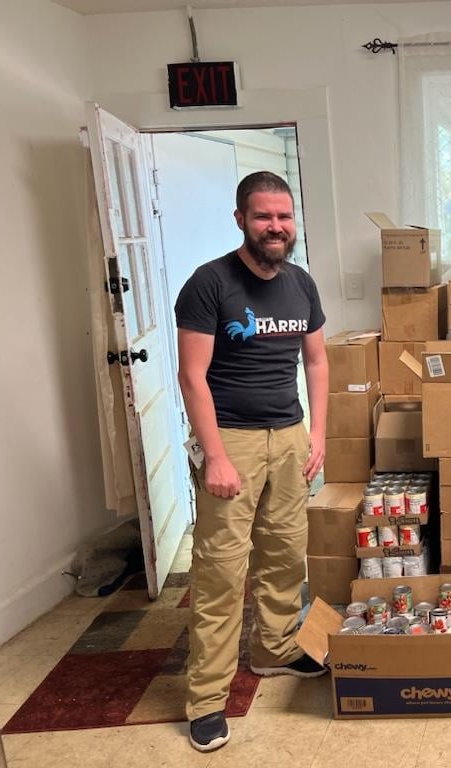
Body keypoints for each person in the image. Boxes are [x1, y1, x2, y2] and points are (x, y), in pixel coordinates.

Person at [175, 171, 329, 753]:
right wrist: (213, 455)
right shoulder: (209, 283)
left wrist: (319, 433)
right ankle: (207, 698)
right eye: (264, 216)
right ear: (241, 218)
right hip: (232, 441)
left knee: (286, 551)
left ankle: (275, 649)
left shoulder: (301, 284)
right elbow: (193, 376)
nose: (276, 227)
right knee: (220, 571)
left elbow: (316, 362)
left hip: (288, 435)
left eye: (284, 217)